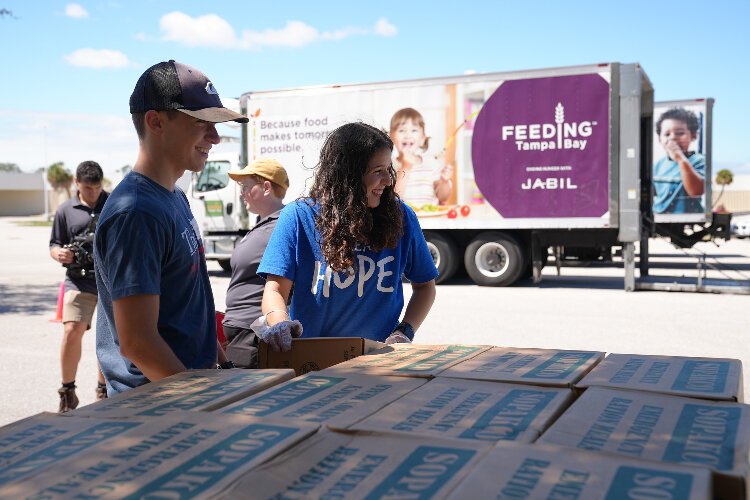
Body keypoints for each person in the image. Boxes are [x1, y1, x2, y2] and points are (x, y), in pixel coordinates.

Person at [94, 60, 247, 395]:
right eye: (202, 123)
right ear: (156, 122)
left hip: (184, 394)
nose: (216, 137)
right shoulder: (136, 212)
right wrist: (200, 400)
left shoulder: (174, 197)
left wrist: (219, 361)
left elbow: (188, 301)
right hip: (156, 408)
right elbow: (138, 343)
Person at [257, 122, 438, 351]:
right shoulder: (298, 216)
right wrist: (280, 323)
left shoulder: (402, 217)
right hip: (313, 361)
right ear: (349, 175)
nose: (388, 181)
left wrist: (405, 331)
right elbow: (274, 291)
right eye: (377, 171)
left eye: (388, 169)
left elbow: (425, 287)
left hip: (378, 362)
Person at [49, 161, 109, 413]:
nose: (93, 193)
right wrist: (59, 254)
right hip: (78, 279)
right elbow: (54, 244)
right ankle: (68, 391)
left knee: (108, 338)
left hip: (109, 281)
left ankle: (104, 392)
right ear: (77, 183)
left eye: (97, 187)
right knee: (71, 330)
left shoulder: (114, 202)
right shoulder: (65, 210)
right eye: (88, 188)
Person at [222, 158, 290, 367]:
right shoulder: (264, 224)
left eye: (246, 186)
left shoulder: (282, 225)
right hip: (242, 333)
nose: (242, 193)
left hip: (252, 335)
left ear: (266, 187)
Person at [389, 107, 453, 209]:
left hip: (430, 222)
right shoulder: (389, 165)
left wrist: (444, 181)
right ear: (391, 137)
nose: (408, 135)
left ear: (423, 138)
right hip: (404, 222)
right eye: (401, 130)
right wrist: (406, 167)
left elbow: (443, 197)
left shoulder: (431, 163)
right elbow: (394, 199)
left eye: (414, 130)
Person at [653, 107, 706, 214]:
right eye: (667, 134)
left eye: (680, 133)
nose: (673, 138)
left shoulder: (699, 160)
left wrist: (681, 159)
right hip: (659, 216)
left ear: (694, 136)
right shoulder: (658, 165)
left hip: (688, 215)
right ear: (659, 139)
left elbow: (696, 191)